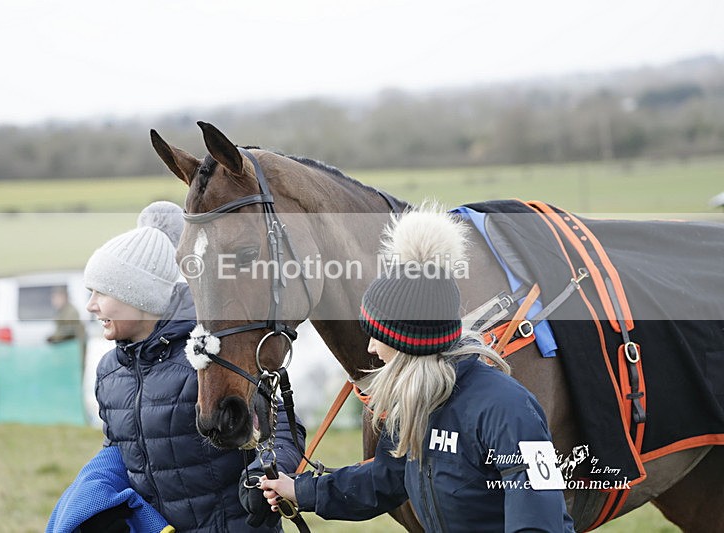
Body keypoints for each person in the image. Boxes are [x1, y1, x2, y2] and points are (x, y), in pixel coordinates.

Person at [260, 206, 575, 532]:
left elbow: (539, 523)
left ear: (410, 342)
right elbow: (384, 479)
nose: (370, 348)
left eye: (378, 336)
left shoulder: (509, 409)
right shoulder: (417, 402)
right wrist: (299, 490)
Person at [47, 202, 305, 533]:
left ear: (138, 298)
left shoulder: (208, 358)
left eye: (102, 292)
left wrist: (262, 475)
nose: (90, 305)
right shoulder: (110, 372)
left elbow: (283, 423)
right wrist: (94, 498)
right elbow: (120, 447)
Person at [46, 286, 87, 366]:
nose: (54, 301)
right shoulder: (61, 311)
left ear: (63, 297)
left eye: (56, 298)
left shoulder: (71, 311)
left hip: (74, 351)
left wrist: (54, 338)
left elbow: (69, 331)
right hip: (66, 351)